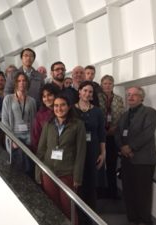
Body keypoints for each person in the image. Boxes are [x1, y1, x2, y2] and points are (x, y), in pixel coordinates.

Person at [37, 94, 86, 223]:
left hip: (67, 173)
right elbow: (41, 149)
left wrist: (77, 177)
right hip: (48, 172)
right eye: (56, 106)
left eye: (63, 105)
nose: (59, 108)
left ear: (69, 107)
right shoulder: (48, 124)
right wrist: (39, 172)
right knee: (53, 207)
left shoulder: (78, 125)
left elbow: (81, 152)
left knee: (68, 207)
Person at [115, 86, 156, 225]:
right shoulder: (124, 115)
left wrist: (130, 147)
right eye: (128, 95)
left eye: (134, 95)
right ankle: (132, 218)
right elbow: (117, 133)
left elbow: (147, 133)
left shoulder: (150, 112)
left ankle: (144, 220)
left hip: (143, 160)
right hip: (127, 159)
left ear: (142, 97)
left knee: (143, 193)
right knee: (128, 191)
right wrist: (122, 147)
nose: (130, 97)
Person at [73, 81, 106, 225]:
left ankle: (91, 219)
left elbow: (101, 133)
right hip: (75, 151)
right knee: (77, 185)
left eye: (90, 92)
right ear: (79, 92)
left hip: (93, 150)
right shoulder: (71, 109)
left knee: (91, 187)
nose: (87, 94)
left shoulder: (97, 111)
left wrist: (103, 153)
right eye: (85, 90)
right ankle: (78, 218)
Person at [2, 72, 37, 177]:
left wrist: (32, 138)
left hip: (28, 137)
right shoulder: (8, 99)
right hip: (14, 137)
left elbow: (34, 120)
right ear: (16, 83)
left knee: (29, 165)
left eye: (24, 80)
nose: (22, 83)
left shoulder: (32, 101)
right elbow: (4, 120)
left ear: (27, 83)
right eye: (19, 80)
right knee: (18, 166)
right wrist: (12, 139)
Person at [98, 75, 124, 199]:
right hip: (100, 136)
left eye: (110, 83)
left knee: (112, 164)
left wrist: (115, 128)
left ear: (113, 85)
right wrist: (102, 130)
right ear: (101, 85)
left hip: (113, 135)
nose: (107, 86)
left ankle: (112, 191)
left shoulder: (119, 99)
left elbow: (122, 116)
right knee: (100, 163)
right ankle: (101, 190)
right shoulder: (96, 98)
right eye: (105, 83)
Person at [31, 84, 57, 154]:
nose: (47, 99)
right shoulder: (40, 115)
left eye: (49, 95)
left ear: (55, 95)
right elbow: (35, 139)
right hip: (46, 154)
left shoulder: (63, 110)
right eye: (44, 96)